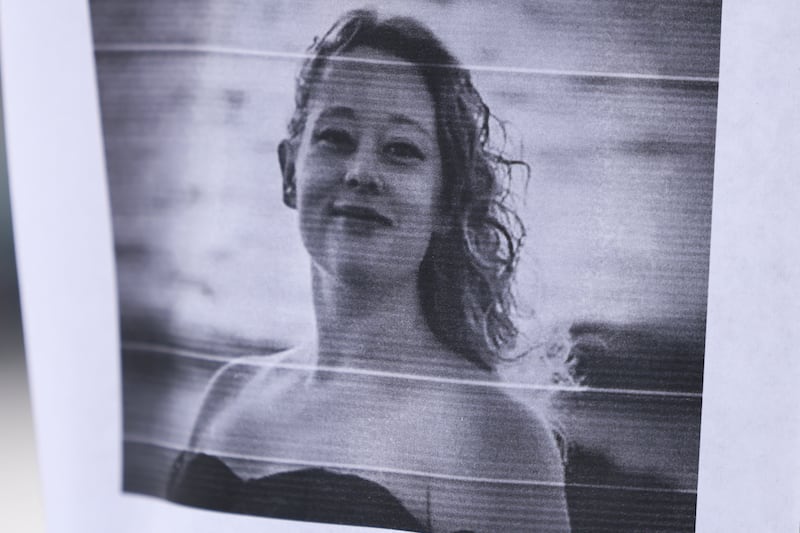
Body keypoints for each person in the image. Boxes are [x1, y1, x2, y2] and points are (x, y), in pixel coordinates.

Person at [167, 9, 571, 532]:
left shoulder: (493, 436)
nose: (361, 172)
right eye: (335, 137)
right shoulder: (230, 390)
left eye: (401, 150)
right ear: (290, 171)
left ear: (446, 202)